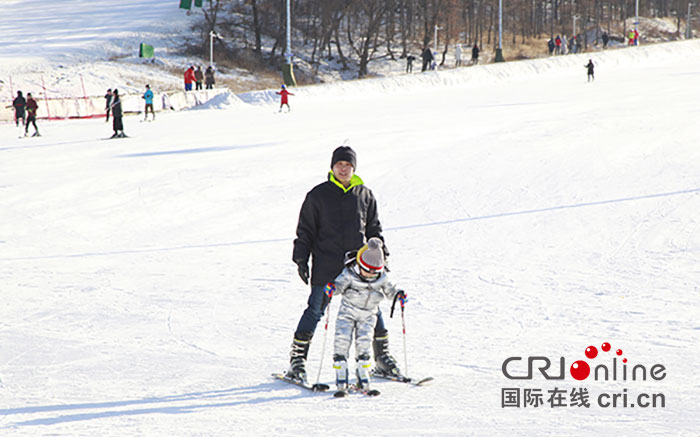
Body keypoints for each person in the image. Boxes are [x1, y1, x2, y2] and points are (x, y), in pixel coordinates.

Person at [287, 145, 401, 383]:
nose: (343, 169)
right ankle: (297, 361)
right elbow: (305, 230)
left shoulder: (364, 194)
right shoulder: (318, 195)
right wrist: (301, 257)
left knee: (371, 308)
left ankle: (382, 358)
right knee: (316, 309)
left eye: (348, 165)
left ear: (354, 168)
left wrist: (382, 253)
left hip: (359, 266)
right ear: (332, 167)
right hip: (326, 263)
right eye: (339, 164)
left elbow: (374, 230)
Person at [327, 238, 406, 392]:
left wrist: (398, 295)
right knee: (342, 340)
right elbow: (338, 287)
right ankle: (341, 375)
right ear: (360, 265)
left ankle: (362, 376)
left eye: (375, 272)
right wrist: (332, 288)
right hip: (348, 313)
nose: (371, 274)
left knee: (364, 343)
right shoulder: (349, 274)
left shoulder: (382, 278)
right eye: (367, 270)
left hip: (368, 316)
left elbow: (390, 291)